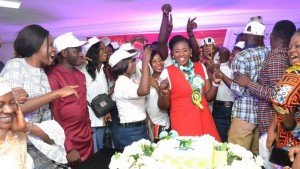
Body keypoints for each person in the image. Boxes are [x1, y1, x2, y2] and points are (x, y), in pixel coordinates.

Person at [0, 25, 78, 168]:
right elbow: (12, 109)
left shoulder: (42, 72)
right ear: (35, 45)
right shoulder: (16, 65)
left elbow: (46, 115)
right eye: (49, 45)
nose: (54, 49)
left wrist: (51, 138)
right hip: (22, 146)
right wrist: (56, 94)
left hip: (41, 142)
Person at [158, 35, 221, 141]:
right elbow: (163, 107)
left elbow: (208, 97)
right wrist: (164, 93)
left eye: (185, 50)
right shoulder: (167, 72)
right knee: (188, 154)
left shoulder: (200, 66)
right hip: (183, 121)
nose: (181, 54)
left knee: (208, 153)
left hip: (204, 117)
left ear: (191, 51)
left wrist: (215, 83)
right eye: (177, 51)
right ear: (172, 54)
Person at [48, 32, 93, 167]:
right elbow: (54, 116)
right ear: (63, 53)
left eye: (80, 51)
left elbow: (83, 106)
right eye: (76, 51)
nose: (81, 54)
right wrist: (68, 147)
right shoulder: (53, 77)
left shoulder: (80, 75)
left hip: (86, 138)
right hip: (69, 141)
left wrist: (89, 130)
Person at [0, 78, 66, 169]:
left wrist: (25, 127)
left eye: (12, 103)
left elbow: (53, 141)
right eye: (0, 105)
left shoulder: (14, 128)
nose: (9, 110)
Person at [227, 18, 269, 155]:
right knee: (255, 159)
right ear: (261, 38)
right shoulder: (267, 52)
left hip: (243, 114)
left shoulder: (241, 57)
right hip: (261, 115)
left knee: (236, 158)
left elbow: (239, 90)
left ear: (245, 36)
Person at [109, 43, 151, 149]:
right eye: (130, 61)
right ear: (122, 64)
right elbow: (144, 90)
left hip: (137, 129)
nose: (133, 63)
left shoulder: (129, 80)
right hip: (132, 132)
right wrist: (145, 62)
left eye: (133, 60)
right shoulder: (122, 82)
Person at [80, 36, 112, 153]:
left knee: (101, 151)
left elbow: (104, 94)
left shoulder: (103, 70)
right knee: (93, 152)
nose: (106, 51)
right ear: (93, 52)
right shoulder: (83, 70)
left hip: (102, 117)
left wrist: (106, 110)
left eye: (105, 49)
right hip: (90, 119)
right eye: (102, 49)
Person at [271, 29, 300, 150]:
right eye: (290, 47)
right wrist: (272, 128)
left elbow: (280, 101)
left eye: (298, 46)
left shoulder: (295, 72)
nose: (292, 50)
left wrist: (291, 126)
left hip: (293, 144)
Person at [146, 50, 170, 142]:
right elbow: (142, 102)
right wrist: (148, 121)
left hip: (164, 122)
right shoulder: (147, 80)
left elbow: (168, 103)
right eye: (154, 61)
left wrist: (157, 86)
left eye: (160, 60)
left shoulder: (168, 79)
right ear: (149, 64)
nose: (159, 63)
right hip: (150, 122)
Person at [212, 47, 233, 142]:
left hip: (235, 110)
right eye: (221, 54)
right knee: (220, 140)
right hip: (220, 110)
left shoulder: (236, 69)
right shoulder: (214, 69)